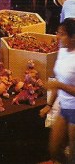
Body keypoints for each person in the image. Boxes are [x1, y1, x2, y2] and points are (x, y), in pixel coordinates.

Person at [40, 18, 75, 163]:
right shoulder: (62, 51)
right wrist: (49, 105)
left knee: (73, 154)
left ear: (73, 37)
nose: (57, 37)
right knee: (54, 149)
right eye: (58, 33)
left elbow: (58, 84)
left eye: (62, 34)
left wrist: (59, 86)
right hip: (64, 107)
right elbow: (58, 79)